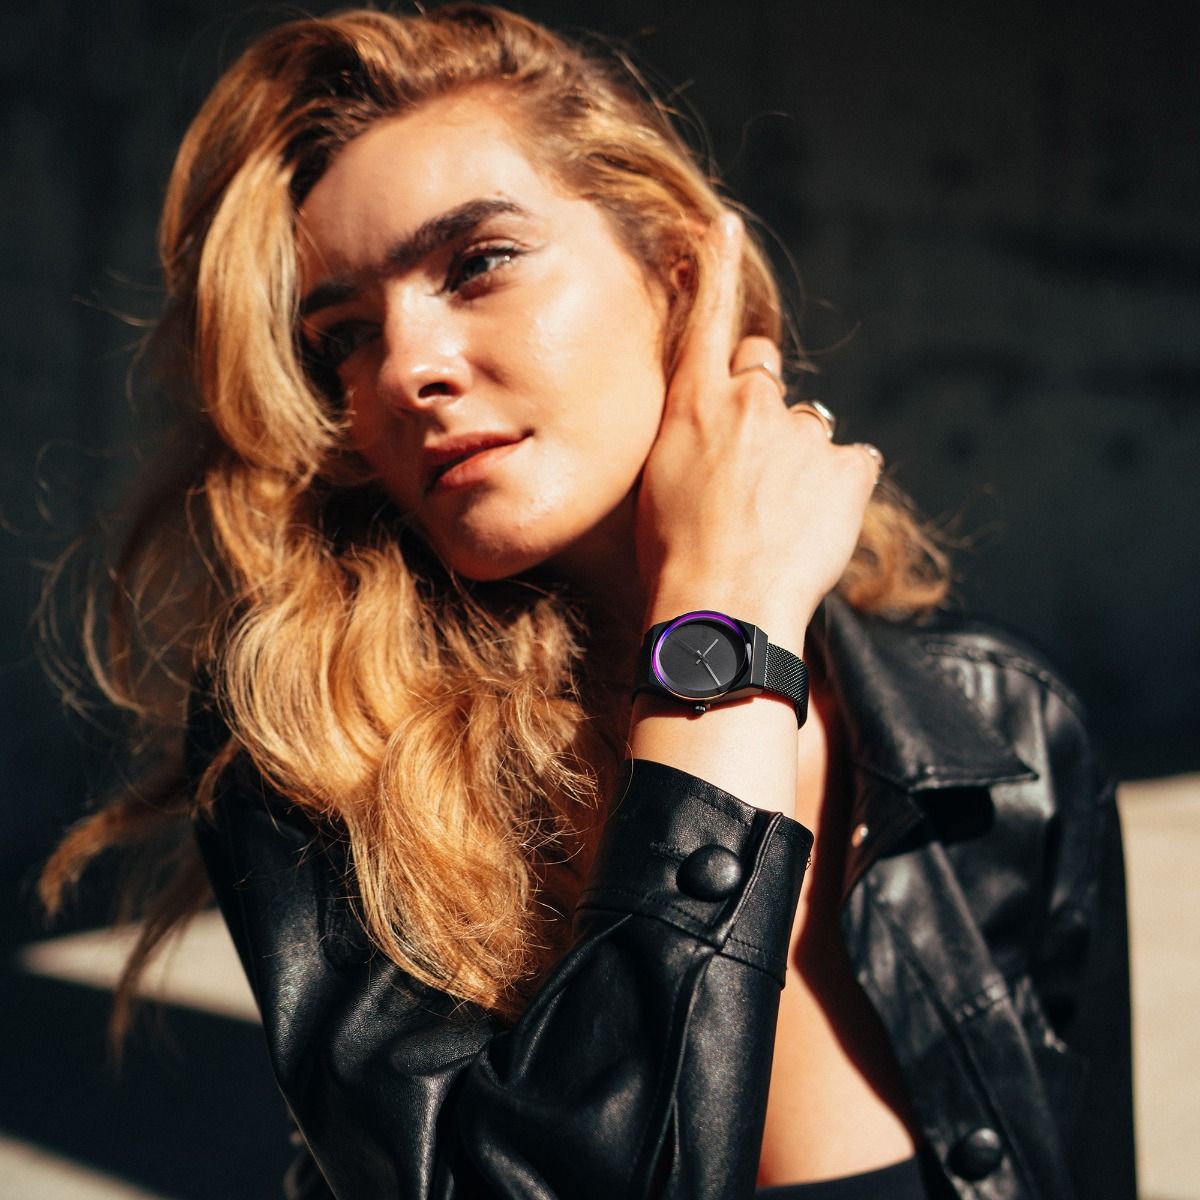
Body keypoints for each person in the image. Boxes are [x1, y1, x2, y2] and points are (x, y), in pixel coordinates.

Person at [41, 6, 1135, 1199]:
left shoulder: (1002, 737)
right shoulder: (319, 748)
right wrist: (724, 634)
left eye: (479, 264)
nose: (405, 369)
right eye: (344, 336)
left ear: (679, 275)